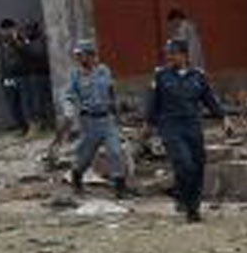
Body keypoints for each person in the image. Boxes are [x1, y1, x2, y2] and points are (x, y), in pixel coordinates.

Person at [144, 35, 226, 222]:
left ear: (184, 55)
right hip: (171, 127)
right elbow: (152, 103)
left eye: (173, 54)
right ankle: (183, 196)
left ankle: (192, 208)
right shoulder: (161, 76)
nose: (170, 57)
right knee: (184, 164)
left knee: (197, 166)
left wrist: (223, 118)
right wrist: (148, 124)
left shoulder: (198, 76)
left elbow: (209, 100)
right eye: (168, 54)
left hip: (193, 126)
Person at [63, 39, 129, 195]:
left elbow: (111, 92)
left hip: (107, 119)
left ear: (91, 55)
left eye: (82, 55)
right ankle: (77, 176)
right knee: (85, 155)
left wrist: (118, 111)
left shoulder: (104, 71)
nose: (79, 59)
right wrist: (69, 111)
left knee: (115, 151)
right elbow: (69, 96)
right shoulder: (76, 75)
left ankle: (120, 186)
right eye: (77, 56)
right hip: (89, 121)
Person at [0, 20, 31, 133]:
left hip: (21, 75)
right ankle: (21, 126)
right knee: (12, 103)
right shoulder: (0, 44)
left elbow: (27, 51)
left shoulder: (21, 39)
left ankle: (29, 125)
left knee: (25, 102)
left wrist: (16, 40)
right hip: (7, 76)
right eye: (4, 31)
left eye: (9, 30)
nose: (6, 33)